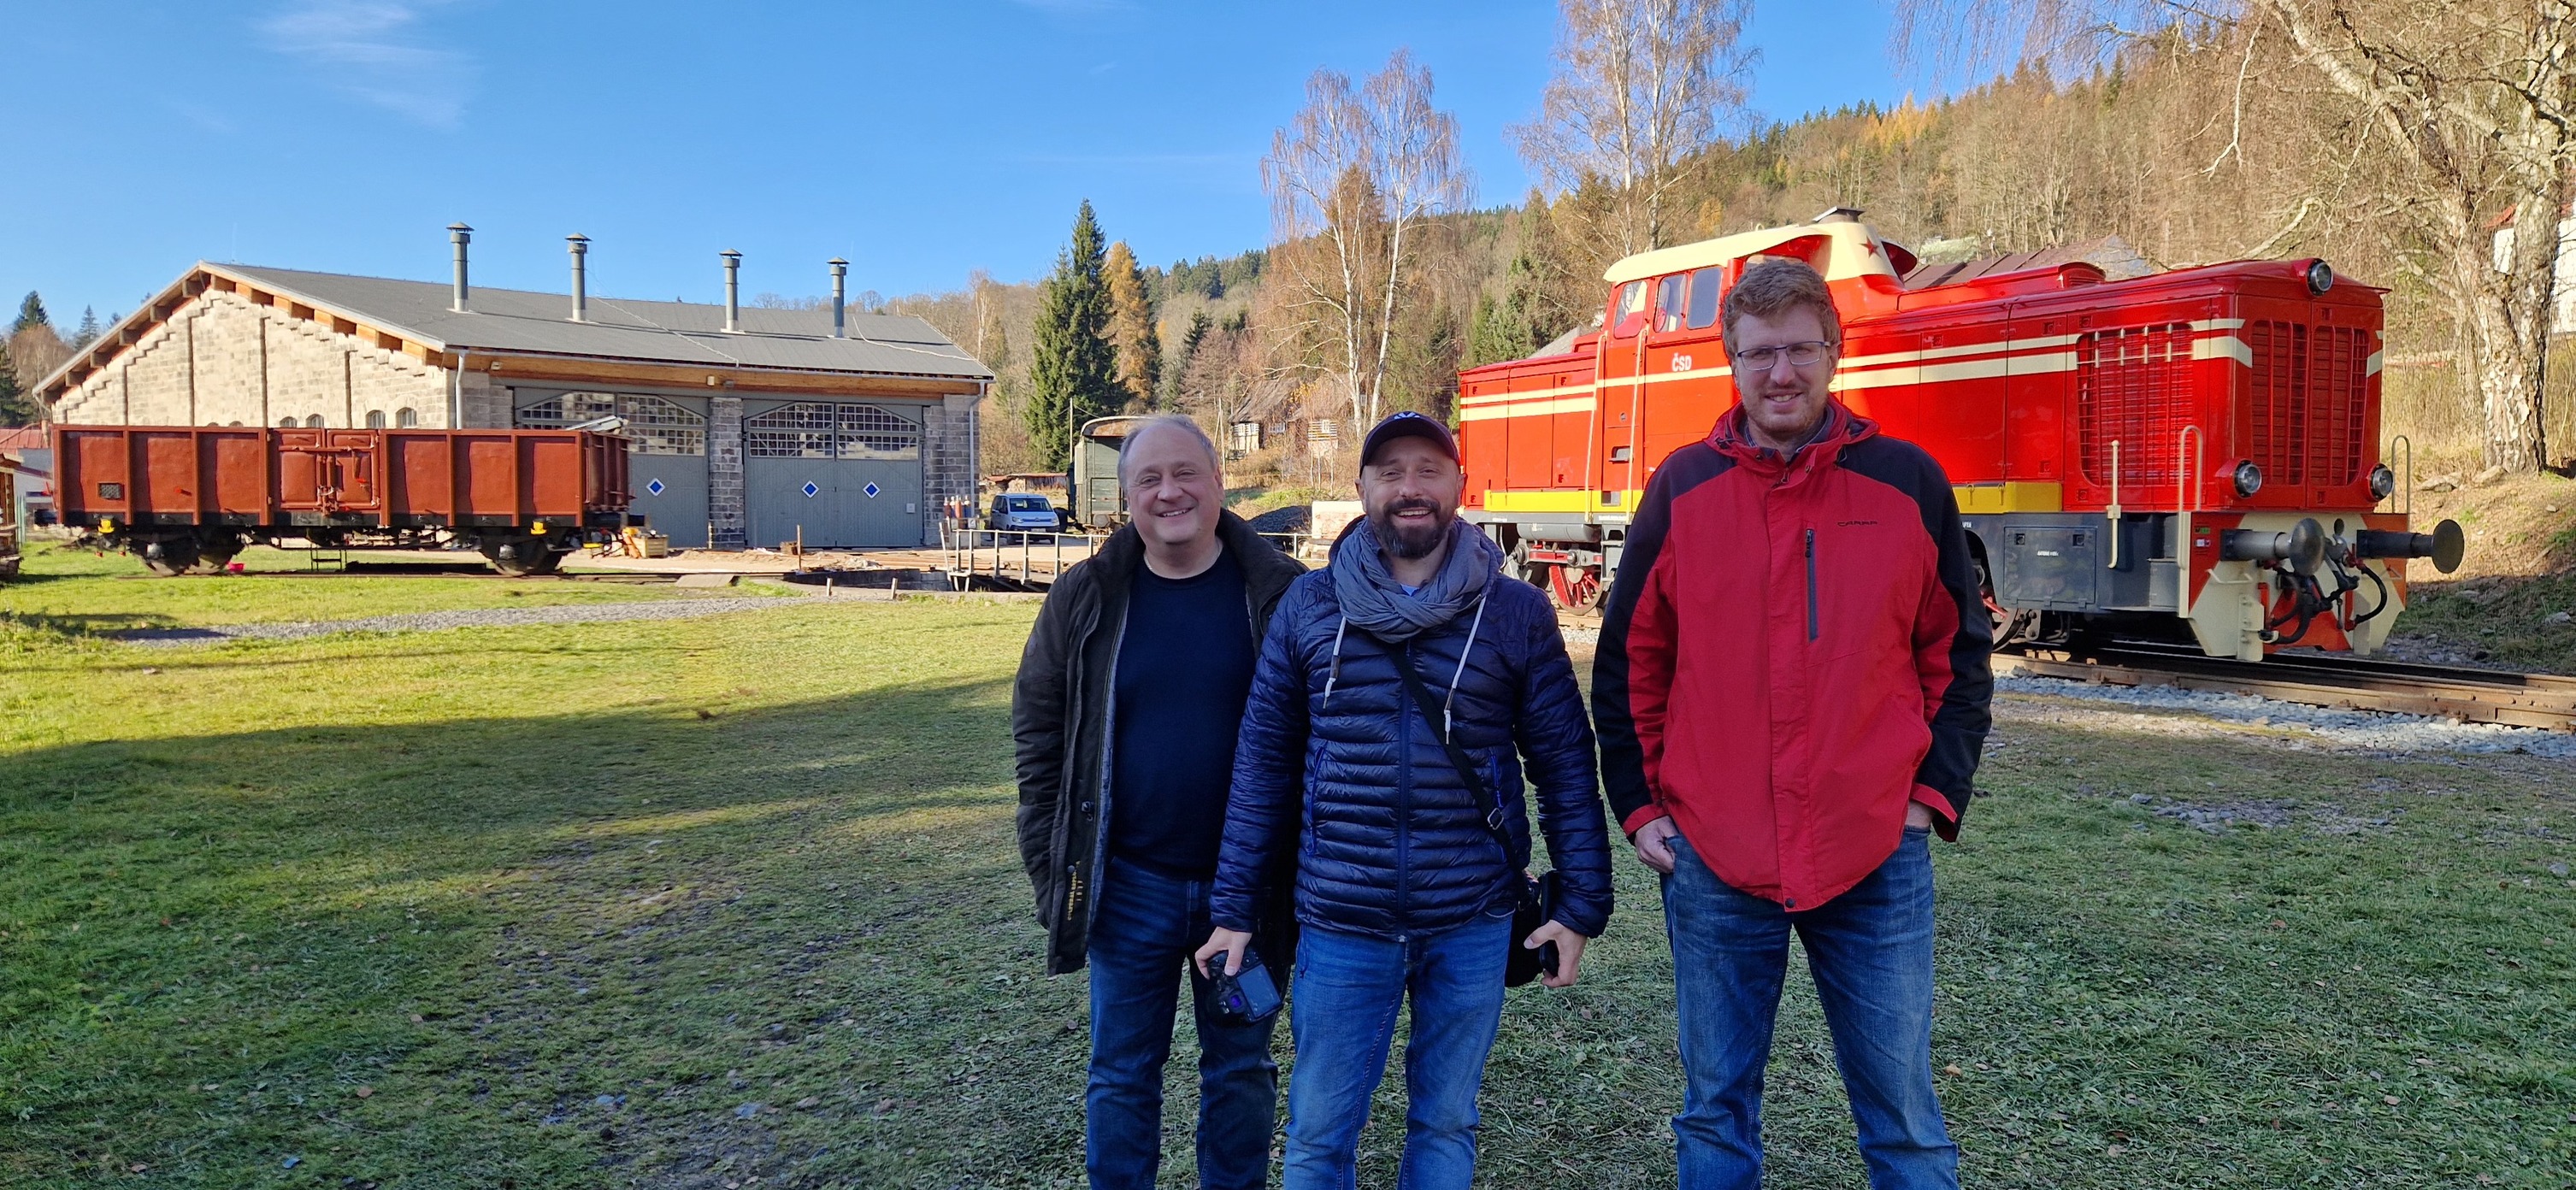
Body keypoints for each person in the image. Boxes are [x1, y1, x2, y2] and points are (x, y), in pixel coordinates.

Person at [1592, 259, 1993, 1190]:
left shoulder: (1906, 482)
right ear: (1731, 362)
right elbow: (1630, 662)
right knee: (1715, 1109)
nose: (1781, 373)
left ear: (1834, 353)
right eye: (1759, 354)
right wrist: (1640, 806)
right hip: (1714, 851)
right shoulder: (1681, 487)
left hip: (1872, 847)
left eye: (1800, 350)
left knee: (1902, 1115)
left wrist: (1929, 797)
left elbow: (1958, 655)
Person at [1196, 411, 1614, 1190]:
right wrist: (1234, 909)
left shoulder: (1515, 613)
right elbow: (1262, 767)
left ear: (1460, 484)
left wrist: (1582, 902)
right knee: (1319, 1135)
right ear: (1362, 489)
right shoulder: (1309, 607)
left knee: (1446, 1122)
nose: (1409, 488)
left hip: (1472, 920)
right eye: (1390, 472)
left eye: (1428, 470)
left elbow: (1563, 762)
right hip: (1341, 923)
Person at [1013, 415, 1308, 1190]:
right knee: (1120, 1072)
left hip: (1247, 894)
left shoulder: (1281, 594)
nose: (1169, 492)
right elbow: (1039, 737)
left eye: (1185, 474)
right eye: (1149, 479)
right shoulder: (1086, 596)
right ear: (1127, 497)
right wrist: (1051, 866)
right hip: (1127, 887)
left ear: (1218, 482)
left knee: (1240, 1071)